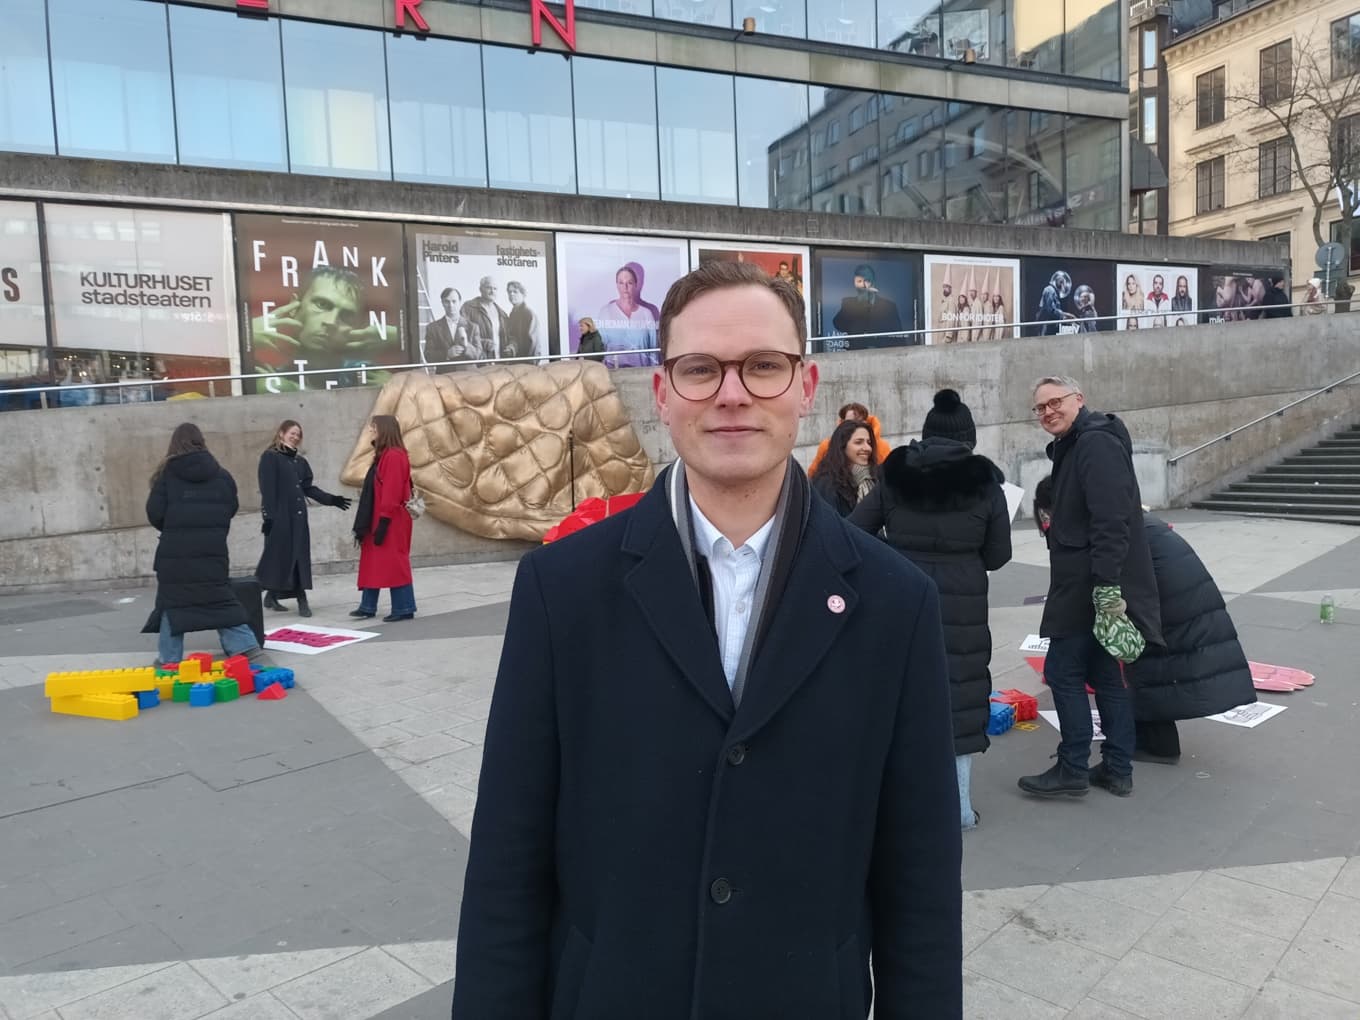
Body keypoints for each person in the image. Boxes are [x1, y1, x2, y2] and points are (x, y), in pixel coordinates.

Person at [454, 260, 962, 1018]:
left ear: (805, 386)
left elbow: (920, 879)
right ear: (662, 392)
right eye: (700, 369)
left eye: (763, 365)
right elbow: (508, 855)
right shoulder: (561, 590)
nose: (731, 393)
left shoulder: (897, 602)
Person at [849, 389, 1011, 830]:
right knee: (959, 695)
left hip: (903, 594)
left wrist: (896, 554)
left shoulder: (895, 473)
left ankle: (897, 806)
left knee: (901, 694)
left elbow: (855, 531)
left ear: (925, 433)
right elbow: (999, 555)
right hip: (964, 605)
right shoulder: (986, 482)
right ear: (968, 437)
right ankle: (959, 810)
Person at [1034, 478, 1254, 763]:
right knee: (1153, 666)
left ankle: (1154, 746)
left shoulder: (1102, 524)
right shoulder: (1114, 512)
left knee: (1150, 666)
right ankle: (1153, 743)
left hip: (1166, 598)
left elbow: (1098, 574)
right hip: (1174, 593)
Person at [1018, 376, 1162, 799]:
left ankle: (1072, 766)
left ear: (1078, 399)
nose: (1048, 412)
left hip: (1088, 584)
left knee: (1062, 671)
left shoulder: (1094, 443)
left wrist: (1105, 587)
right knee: (1104, 674)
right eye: (1040, 407)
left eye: (1055, 402)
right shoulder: (1079, 442)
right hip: (1088, 578)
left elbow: (1111, 520)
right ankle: (1117, 768)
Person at [141, 423, 271, 667]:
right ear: (201, 442)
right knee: (220, 599)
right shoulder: (221, 475)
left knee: (172, 602)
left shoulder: (166, 475)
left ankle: (169, 661)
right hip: (212, 551)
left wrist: (175, 528)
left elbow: (155, 513)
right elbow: (230, 508)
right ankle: (249, 650)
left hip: (175, 554)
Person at [256, 419, 352, 618]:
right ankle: (284, 596)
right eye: (292, 433)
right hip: (280, 518)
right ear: (281, 433)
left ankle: (280, 597)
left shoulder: (300, 462)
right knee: (280, 558)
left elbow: (308, 488)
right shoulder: (270, 457)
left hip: (298, 518)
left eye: (298, 434)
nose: (295, 437)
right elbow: (268, 490)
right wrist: (269, 518)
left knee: (298, 556)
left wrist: (332, 500)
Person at [250, 266, 400, 384]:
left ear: (357, 325)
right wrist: (246, 337)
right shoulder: (267, 377)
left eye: (346, 315)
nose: (331, 322)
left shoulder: (369, 377)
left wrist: (400, 337)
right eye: (321, 304)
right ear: (294, 306)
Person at [350, 415, 417, 622]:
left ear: (384, 430)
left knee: (395, 563)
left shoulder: (393, 456)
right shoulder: (385, 454)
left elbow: (391, 491)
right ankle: (367, 606)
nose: (372, 431)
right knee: (373, 561)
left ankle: (404, 607)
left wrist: (384, 521)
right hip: (379, 517)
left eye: (374, 428)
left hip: (390, 519)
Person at [810, 418, 879, 516]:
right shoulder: (826, 484)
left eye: (869, 443)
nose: (867, 448)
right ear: (842, 446)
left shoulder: (875, 478)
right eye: (858, 442)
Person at [598, 263, 661, 369]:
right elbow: (600, 351)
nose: (625, 287)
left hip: (642, 374)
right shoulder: (606, 312)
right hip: (613, 374)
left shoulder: (647, 313)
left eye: (629, 283)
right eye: (621, 283)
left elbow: (654, 353)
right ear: (617, 285)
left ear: (636, 284)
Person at [808, 401, 893, 474]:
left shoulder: (882, 447)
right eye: (849, 422)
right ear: (842, 423)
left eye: (860, 422)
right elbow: (813, 475)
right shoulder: (827, 446)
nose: (855, 426)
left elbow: (890, 475)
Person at [832, 263, 903, 338]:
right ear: (855, 284)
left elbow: (899, 337)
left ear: (874, 282)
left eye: (867, 280)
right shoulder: (848, 303)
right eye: (859, 281)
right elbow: (839, 326)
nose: (863, 285)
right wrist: (859, 303)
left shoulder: (889, 307)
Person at [423, 287, 486, 370]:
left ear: (460, 302)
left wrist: (467, 346)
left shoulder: (473, 327)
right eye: (447, 302)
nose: (451, 305)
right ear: (442, 303)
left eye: (454, 301)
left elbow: (479, 355)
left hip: (469, 375)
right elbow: (428, 356)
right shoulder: (433, 328)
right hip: (445, 375)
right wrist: (447, 354)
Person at [463, 276, 510, 358]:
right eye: (489, 288)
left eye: (495, 289)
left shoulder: (502, 313)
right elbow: (461, 335)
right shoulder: (468, 308)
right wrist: (483, 342)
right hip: (479, 360)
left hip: (499, 359)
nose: (492, 291)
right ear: (480, 289)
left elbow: (509, 336)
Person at [503, 280, 543, 359]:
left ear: (523, 294)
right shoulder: (513, 313)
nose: (511, 294)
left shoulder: (528, 314)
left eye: (515, 292)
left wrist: (531, 363)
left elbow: (534, 344)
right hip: (516, 361)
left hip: (526, 362)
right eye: (509, 292)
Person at [1036, 271, 1074, 335]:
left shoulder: (1053, 291)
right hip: (1046, 325)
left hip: (1050, 325)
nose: (1063, 288)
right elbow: (1051, 310)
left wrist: (1064, 316)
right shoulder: (1050, 290)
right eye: (1063, 284)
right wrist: (1066, 315)